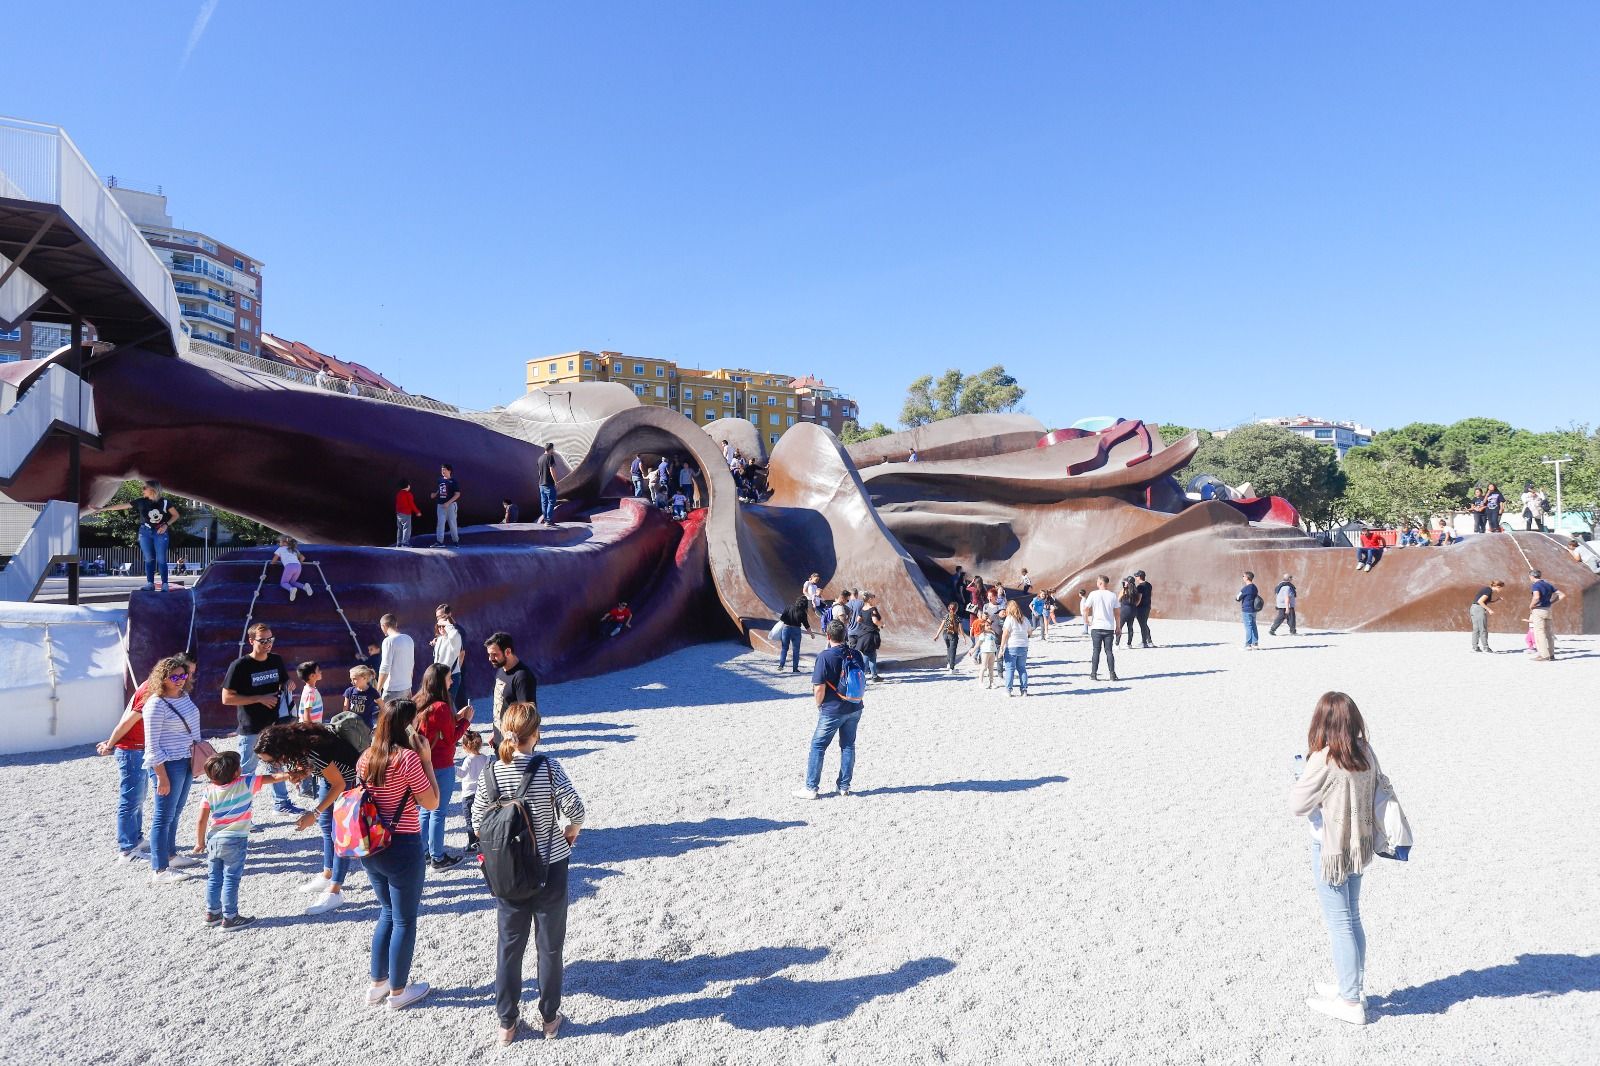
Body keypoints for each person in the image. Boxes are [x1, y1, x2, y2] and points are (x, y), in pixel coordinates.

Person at [474, 701, 586, 1044]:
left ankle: (507, 1023)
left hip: (508, 870)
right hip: (549, 865)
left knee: (509, 947)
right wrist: (570, 832)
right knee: (550, 946)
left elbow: (478, 822)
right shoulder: (548, 767)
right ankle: (550, 1019)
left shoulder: (490, 772)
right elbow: (576, 810)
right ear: (534, 733)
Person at [1288, 692, 1400, 1026]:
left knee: (1340, 923)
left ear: (1321, 722)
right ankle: (1353, 985)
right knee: (1352, 917)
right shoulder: (1365, 750)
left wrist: (1301, 776)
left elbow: (1297, 806)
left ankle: (1350, 1001)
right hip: (1360, 845)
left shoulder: (1324, 759)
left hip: (1332, 849)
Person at [357, 699, 441, 1011]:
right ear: (407, 725)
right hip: (403, 844)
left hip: (371, 844)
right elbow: (431, 802)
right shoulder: (407, 759)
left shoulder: (366, 757)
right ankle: (398, 991)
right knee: (405, 919)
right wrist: (427, 760)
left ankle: (377, 984)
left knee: (387, 913)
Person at [254, 719, 363, 915]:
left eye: (270, 760)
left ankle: (335, 890)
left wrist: (314, 813)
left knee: (339, 832)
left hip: (346, 779)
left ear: (281, 750)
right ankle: (327, 874)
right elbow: (313, 767)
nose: (270, 765)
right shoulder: (297, 743)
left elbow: (338, 783)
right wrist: (301, 773)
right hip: (329, 779)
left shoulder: (314, 750)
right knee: (326, 826)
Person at [97, 650, 196, 861]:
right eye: (179, 675)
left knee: (140, 798)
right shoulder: (153, 695)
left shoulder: (167, 691)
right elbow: (127, 722)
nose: (184, 679)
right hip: (132, 747)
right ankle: (127, 847)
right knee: (132, 798)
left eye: (185, 675)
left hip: (142, 748)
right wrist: (110, 744)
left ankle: (137, 839)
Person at [221, 623, 298, 814]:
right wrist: (258, 699)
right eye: (262, 640)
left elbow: (283, 680)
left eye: (270, 639)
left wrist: (289, 683)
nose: (267, 644)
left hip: (275, 725)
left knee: (277, 764)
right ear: (251, 641)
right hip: (251, 727)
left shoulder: (276, 660)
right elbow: (226, 698)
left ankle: (281, 803)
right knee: (247, 771)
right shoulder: (240, 665)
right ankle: (242, 811)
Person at [143, 656, 204, 884]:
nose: (180, 680)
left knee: (175, 812)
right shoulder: (156, 704)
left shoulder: (184, 696)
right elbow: (152, 745)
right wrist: (161, 776)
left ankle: (170, 854)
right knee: (162, 816)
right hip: (169, 763)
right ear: (162, 678)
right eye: (174, 677)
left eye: (183, 675)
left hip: (187, 759)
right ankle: (159, 869)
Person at [792, 621, 866, 800]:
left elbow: (819, 688)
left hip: (833, 709)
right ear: (845, 635)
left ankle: (811, 788)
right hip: (855, 706)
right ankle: (844, 786)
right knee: (848, 745)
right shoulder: (856, 654)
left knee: (818, 746)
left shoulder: (825, 656)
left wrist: (819, 705)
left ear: (827, 636)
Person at [414, 663, 475, 870]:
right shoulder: (440, 706)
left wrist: (456, 718)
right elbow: (450, 739)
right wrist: (466, 721)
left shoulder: (420, 701)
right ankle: (438, 857)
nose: (452, 681)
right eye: (449, 678)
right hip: (441, 764)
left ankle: (424, 852)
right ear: (441, 681)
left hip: (423, 763)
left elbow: (434, 729)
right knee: (438, 812)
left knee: (425, 810)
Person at [195, 751, 256, 929]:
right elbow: (273, 777)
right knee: (231, 878)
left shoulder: (208, 791)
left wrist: (199, 842)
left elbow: (201, 820)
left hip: (214, 840)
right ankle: (230, 917)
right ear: (237, 772)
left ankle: (212, 913)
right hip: (235, 840)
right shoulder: (246, 782)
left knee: (214, 878)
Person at [91, 480, 180, 592]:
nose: (142, 490)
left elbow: (176, 515)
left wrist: (166, 525)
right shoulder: (141, 501)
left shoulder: (165, 502)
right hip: (145, 533)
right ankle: (150, 583)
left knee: (161, 559)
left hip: (160, 533)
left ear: (152, 489)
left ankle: (165, 584)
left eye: (145, 488)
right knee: (148, 559)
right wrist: (102, 509)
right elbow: (121, 506)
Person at [486, 632, 537, 739]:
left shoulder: (522, 677)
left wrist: (516, 744)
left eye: (494, 654)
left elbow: (527, 715)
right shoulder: (501, 669)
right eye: (489, 654)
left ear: (508, 651)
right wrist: (495, 732)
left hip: (512, 743)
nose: (490, 658)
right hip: (499, 737)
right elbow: (501, 704)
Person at [457, 730, 488, 854]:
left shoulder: (468, 760)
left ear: (465, 747)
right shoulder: (486, 759)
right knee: (482, 818)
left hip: (469, 795)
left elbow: (462, 773)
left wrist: (451, 767)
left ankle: (472, 844)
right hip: (482, 794)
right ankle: (483, 842)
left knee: (470, 820)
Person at [1085, 576, 1120, 681]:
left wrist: (1086, 620)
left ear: (1100, 583)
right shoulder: (1112, 595)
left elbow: (1086, 608)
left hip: (1096, 626)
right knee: (1109, 651)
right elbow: (1117, 613)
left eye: (1097, 581)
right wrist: (1118, 626)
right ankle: (1112, 674)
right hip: (1108, 627)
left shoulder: (1093, 594)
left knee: (1096, 650)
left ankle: (1093, 674)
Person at [997, 600, 1034, 697]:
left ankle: (1008, 690)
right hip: (1023, 646)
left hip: (1011, 646)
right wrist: (1025, 637)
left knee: (1010, 669)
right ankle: (1024, 690)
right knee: (1022, 668)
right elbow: (1030, 632)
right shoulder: (1025, 619)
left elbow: (1005, 634)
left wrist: (1002, 647)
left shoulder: (1009, 619)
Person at [377, 613, 416, 702]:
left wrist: (378, 690)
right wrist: (409, 687)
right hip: (406, 688)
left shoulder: (388, 641)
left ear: (383, 626)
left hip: (392, 690)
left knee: (388, 716)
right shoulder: (409, 639)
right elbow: (411, 664)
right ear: (396, 624)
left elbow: (385, 667)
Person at [1527, 569, 1564, 661]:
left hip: (1538, 610)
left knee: (1539, 633)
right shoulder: (1548, 584)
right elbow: (1562, 595)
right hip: (1548, 610)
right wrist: (1551, 602)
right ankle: (1551, 654)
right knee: (1549, 633)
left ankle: (1544, 655)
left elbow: (1536, 597)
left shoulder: (1535, 585)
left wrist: (1531, 605)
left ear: (1532, 576)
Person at [776, 594, 812, 673]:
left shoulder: (788, 607)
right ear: (805, 604)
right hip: (796, 631)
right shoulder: (803, 612)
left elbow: (782, 618)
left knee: (784, 648)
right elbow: (807, 625)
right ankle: (795, 669)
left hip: (786, 629)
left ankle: (781, 666)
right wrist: (811, 634)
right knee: (796, 650)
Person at [430, 462, 461, 546]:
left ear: (449, 471)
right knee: (440, 523)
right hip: (440, 505)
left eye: (444, 470)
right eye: (442, 470)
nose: (442, 471)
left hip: (450, 506)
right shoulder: (440, 480)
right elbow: (440, 489)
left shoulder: (453, 481)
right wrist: (435, 494)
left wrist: (448, 503)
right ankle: (439, 542)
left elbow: (457, 494)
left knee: (452, 524)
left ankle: (456, 541)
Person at [856, 592, 884, 681]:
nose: (874, 599)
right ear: (869, 599)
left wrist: (865, 624)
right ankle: (862, 676)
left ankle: (874, 676)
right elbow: (875, 621)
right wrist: (881, 625)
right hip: (870, 635)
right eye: (873, 598)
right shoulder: (872, 609)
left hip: (863, 634)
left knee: (871, 656)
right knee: (868, 656)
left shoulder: (863, 609)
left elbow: (858, 620)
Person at [1470, 580, 1504, 652]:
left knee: (1476, 629)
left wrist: (1497, 600)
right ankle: (1486, 648)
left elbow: (1485, 601)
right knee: (1483, 629)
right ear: (1498, 586)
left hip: (1473, 608)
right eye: (1501, 588)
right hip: (1478, 609)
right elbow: (1480, 601)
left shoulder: (1487, 589)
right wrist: (1489, 610)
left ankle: (1475, 647)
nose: (1501, 589)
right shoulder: (1488, 591)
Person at [932, 602, 963, 671]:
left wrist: (937, 635)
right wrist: (963, 637)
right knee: (953, 651)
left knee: (949, 649)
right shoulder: (957, 617)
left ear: (949, 608)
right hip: (953, 634)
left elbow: (941, 626)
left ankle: (949, 664)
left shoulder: (946, 616)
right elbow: (961, 629)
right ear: (956, 609)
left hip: (945, 634)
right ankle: (952, 668)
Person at [1237, 571, 1262, 649]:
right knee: (1253, 626)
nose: (1243, 577)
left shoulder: (1245, 588)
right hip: (1254, 610)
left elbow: (1237, 598)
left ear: (1247, 578)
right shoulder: (1255, 587)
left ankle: (1248, 644)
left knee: (1248, 627)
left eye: (1243, 576)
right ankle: (1255, 644)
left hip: (1246, 609)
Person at [536, 443, 559, 526]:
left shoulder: (540, 458)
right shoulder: (550, 457)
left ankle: (546, 520)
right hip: (548, 484)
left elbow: (539, 472)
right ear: (551, 449)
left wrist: (541, 480)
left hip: (541, 484)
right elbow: (551, 469)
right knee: (551, 501)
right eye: (553, 449)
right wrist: (556, 481)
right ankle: (548, 521)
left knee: (544, 502)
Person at [394, 479, 422, 547]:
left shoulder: (398, 494)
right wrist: (417, 512)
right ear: (408, 486)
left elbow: (397, 504)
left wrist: (397, 512)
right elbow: (411, 504)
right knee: (407, 528)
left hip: (399, 514)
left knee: (400, 528)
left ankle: (399, 543)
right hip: (406, 514)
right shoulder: (408, 494)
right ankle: (405, 543)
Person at [976, 616, 999, 687]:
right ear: (983, 627)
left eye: (989, 625)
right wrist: (973, 650)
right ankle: (980, 682)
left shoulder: (992, 633)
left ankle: (991, 682)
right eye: (987, 626)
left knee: (991, 668)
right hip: (985, 652)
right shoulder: (983, 634)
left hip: (992, 652)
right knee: (983, 667)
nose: (989, 627)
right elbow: (979, 643)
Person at [1116, 577, 1137, 646]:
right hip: (1132, 610)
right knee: (1130, 627)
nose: (1124, 582)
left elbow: (1118, 600)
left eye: (1125, 581)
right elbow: (1138, 601)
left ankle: (1117, 643)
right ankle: (1129, 644)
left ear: (1127, 582)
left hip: (1124, 610)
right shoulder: (1135, 591)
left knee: (1120, 627)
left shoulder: (1124, 590)